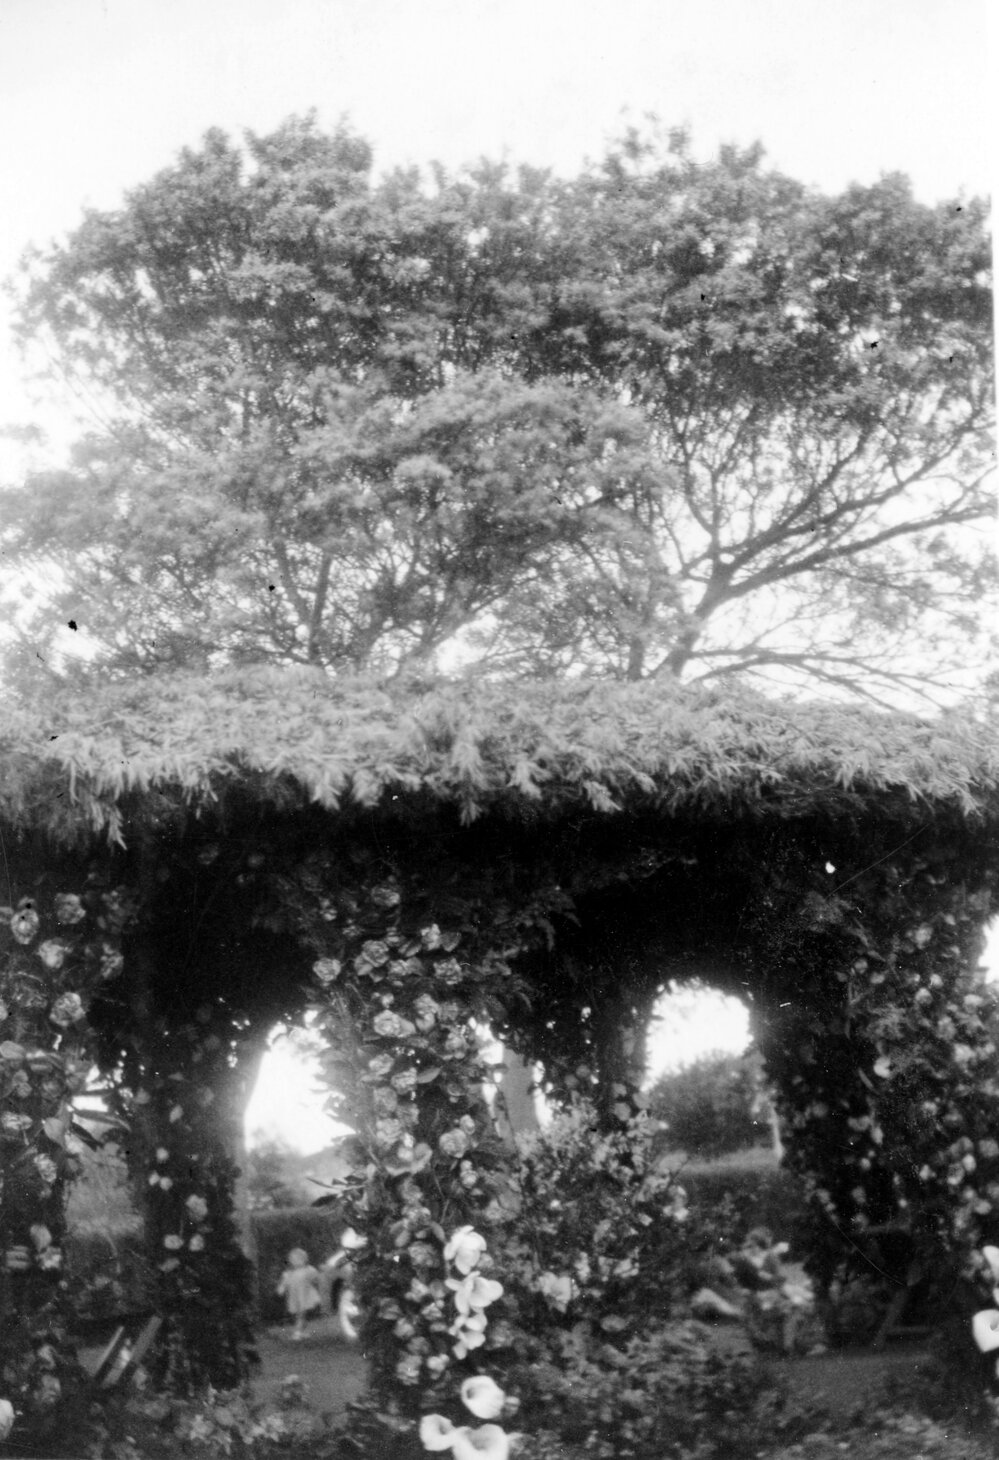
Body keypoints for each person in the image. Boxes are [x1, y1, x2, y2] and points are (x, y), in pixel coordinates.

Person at [276, 1246, 321, 1340]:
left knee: (301, 1315)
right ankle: (302, 1331)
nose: (296, 1262)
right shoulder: (289, 1273)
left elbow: (316, 1279)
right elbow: (284, 1282)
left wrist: (316, 1282)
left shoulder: (308, 1270)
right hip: (295, 1298)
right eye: (293, 1260)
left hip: (305, 1296)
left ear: (305, 1260)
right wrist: (281, 1289)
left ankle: (297, 1332)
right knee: (299, 1316)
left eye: (299, 1259)